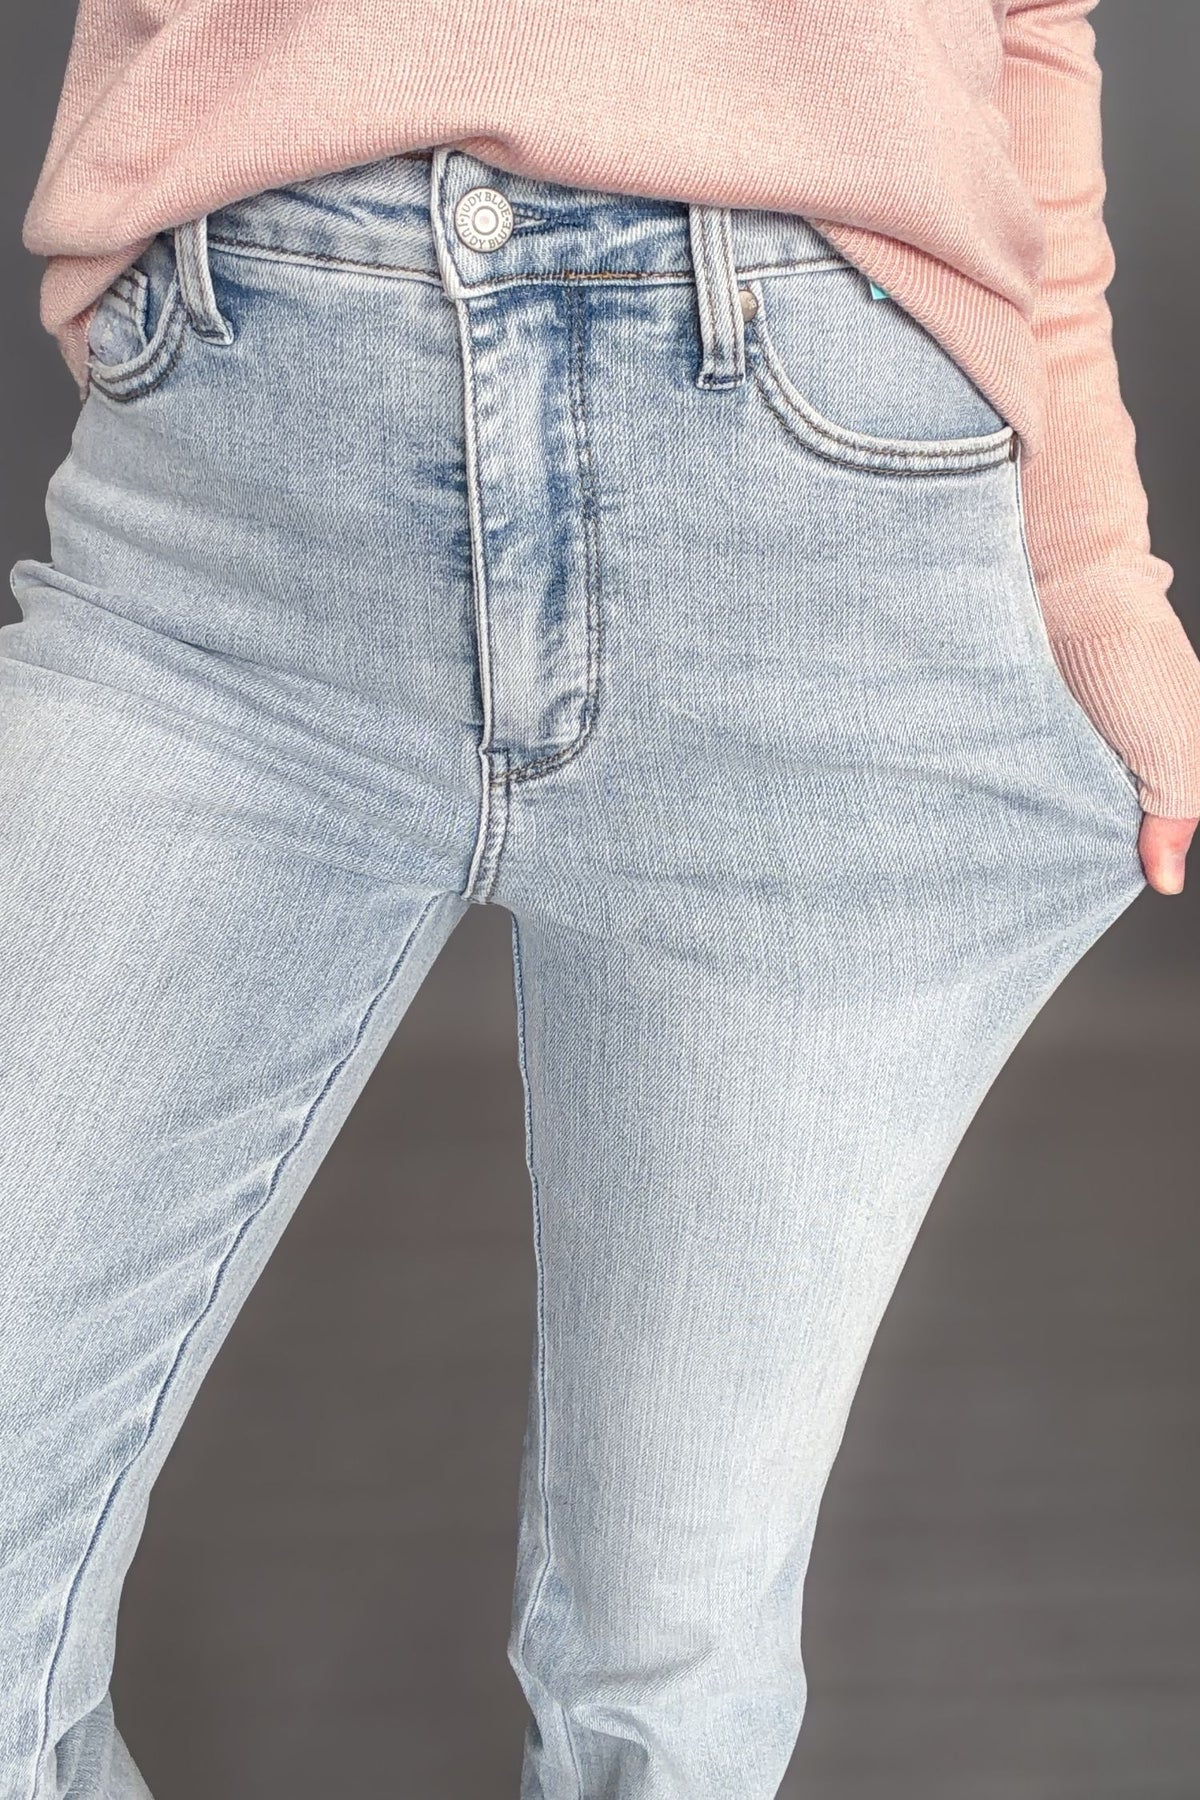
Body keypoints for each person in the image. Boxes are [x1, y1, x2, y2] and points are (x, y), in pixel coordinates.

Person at [4, 3, 1197, 1796]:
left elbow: (1026, 28)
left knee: (670, 1669)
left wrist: (1097, 570)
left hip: (814, 519)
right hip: (244, 504)